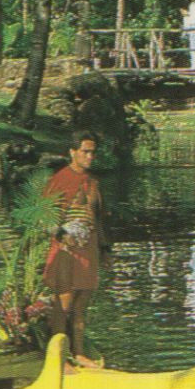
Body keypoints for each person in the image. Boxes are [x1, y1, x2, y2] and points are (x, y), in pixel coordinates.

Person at [42, 131, 109, 371]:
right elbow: (47, 218)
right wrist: (62, 236)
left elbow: (98, 219)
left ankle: (79, 353)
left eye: (93, 152)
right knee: (64, 304)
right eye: (85, 152)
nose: (90, 156)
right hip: (65, 250)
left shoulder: (93, 183)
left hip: (87, 248)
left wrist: (105, 249)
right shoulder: (60, 180)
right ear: (72, 152)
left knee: (81, 305)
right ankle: (59, 357)